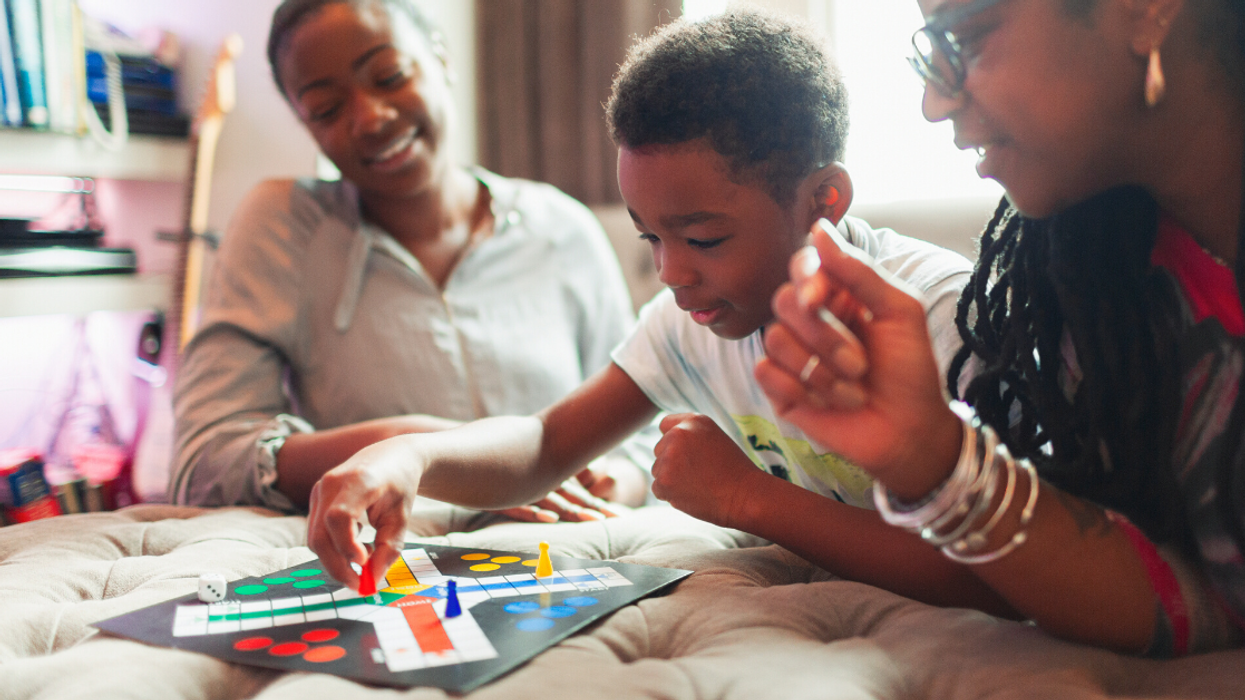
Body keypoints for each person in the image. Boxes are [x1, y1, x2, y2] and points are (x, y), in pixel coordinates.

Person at [302, 10, 1011, 615]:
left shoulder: (943, 318)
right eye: (650, 237)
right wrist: (408, 457)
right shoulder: (691, 322)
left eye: (703, 238)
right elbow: (547, 445)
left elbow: (993, 575)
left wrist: (744, 497)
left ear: (823, 202)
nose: (670, 273)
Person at [758, 0, 1245, 656]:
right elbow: (1208, 602)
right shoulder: (1102, 272)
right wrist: (933, 459)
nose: (932, 102)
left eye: (965, 38)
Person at [169, 0, 654, 523]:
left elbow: (647, 423)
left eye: (389, 75)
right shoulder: (285, 228)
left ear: (440, 57)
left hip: (568, 557)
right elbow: (204, 462)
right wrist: (410, 445)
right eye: (328, 109)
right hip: (391, 568)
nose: (369, 118)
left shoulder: (563, 229)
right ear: (304, 123)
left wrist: (612, 480)